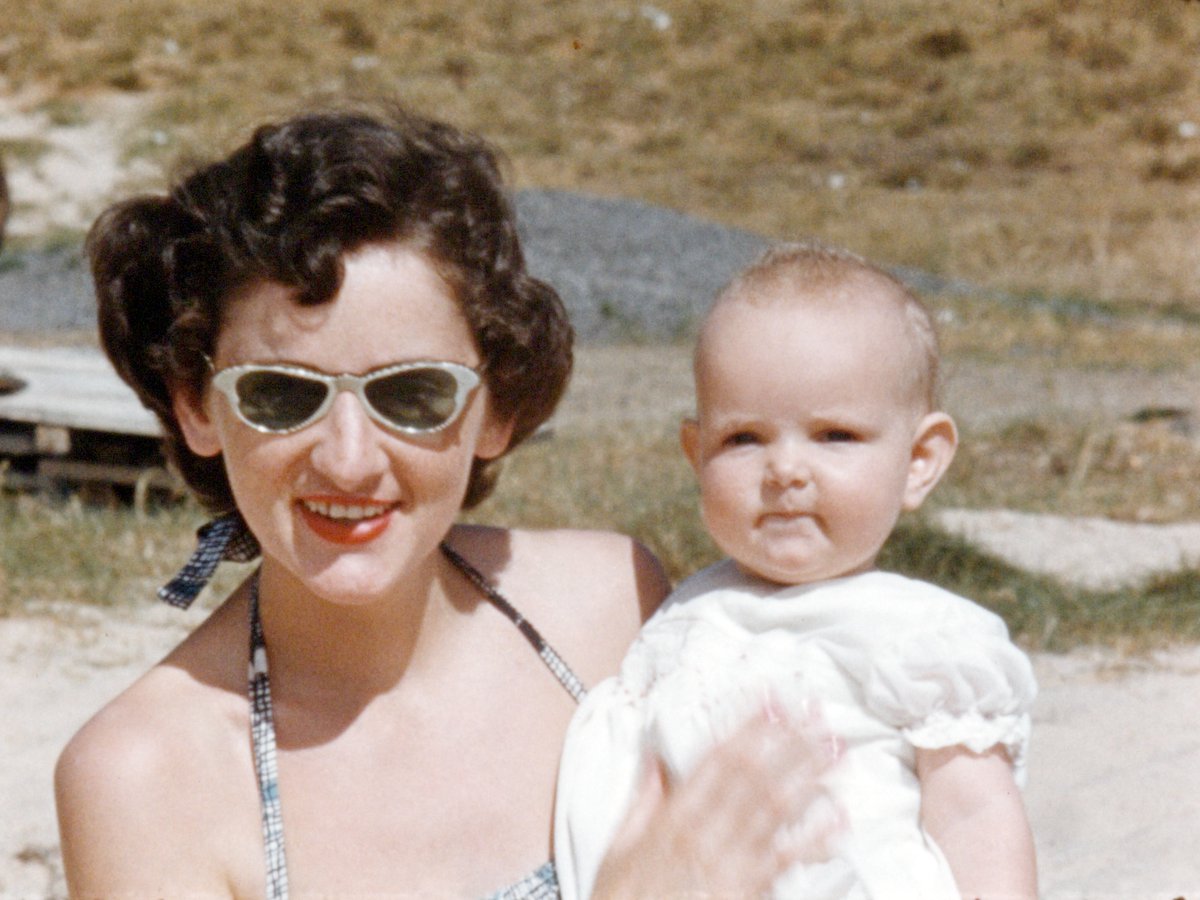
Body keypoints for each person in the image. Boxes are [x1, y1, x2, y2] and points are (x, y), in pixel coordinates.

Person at [53, 105, 839, 899]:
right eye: (281, 395)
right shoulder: (141, 780)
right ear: (196, 406)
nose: (348, 460)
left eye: (414, 393)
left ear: (497, 408)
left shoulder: (609, 606)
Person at [555, 241, 1039, 899]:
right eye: (743, 439)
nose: (784, 469)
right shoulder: (681, 622)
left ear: (920, 460)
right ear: (697, 455)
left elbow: (975, 816)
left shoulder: (918, 638)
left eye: (835, 435)